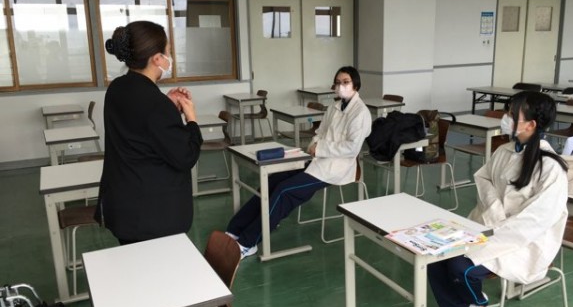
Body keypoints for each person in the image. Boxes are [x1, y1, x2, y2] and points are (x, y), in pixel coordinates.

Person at [428, 91, 568, 307]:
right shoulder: (505, 150)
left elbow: (533, 223)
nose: (505, 118)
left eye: (512, 114)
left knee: (461, 267)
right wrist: (494, 211)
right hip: (486, 226)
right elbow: (484, 178)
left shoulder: (550, 168)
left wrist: (495, 228)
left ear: (531, 124)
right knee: (434, 257)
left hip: (520, 243)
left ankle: (475, 303)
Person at [226, 66, 372, 258]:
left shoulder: (360, 113)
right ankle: (235, 229)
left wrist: (320, 148)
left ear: (356, 85)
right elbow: (319, 132)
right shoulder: (334, 108)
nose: (341, 86)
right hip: (316, 160)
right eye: (337, 83)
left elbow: (351, 148)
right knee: (272, 181)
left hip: (336, 168)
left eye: (346, 82)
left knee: (284, 191)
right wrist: (314, 145)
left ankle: (248, 243)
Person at [96, 21, 202, 245]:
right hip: (154, 216)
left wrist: (166, 104)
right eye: (168, 52)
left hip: (124, 206)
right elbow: (185, 156)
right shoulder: (155, 104)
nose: (170, 58)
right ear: (156, 59)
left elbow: (139, 127)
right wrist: (191, 120)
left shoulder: (117, 88)